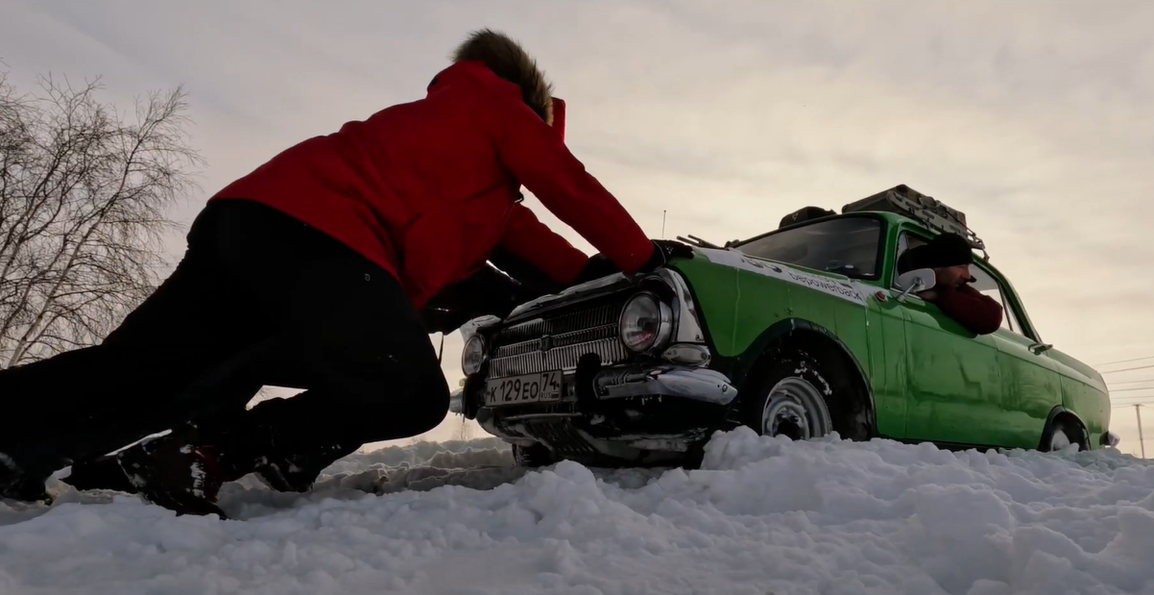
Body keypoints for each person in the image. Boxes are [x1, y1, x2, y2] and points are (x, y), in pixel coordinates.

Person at [0, 28, 689, 517]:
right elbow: (569, 186)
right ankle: (206, 453)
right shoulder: (493, 109)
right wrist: (644, 260)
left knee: (148, 365)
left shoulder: (459, 169)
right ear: (533, 108)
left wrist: (600, 279)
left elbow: (551, 258)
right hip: (318, 237)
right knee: (410, 391)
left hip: (244, 217)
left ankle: (20, 447)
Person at [896, 232, 1003, 335]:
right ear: (937, 267)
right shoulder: (908, 283)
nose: (967, 276)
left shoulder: (954, 289)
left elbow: (991, 316)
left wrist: (939, 297)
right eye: (961, 267)